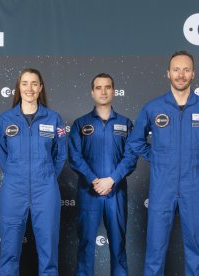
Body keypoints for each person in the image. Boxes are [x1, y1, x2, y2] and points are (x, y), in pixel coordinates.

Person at [126, 50, 199, 275]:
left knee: (195, 251)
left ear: (193, 74)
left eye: (186, 70)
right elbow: (135, 142)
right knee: (155, 251)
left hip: (194, 187)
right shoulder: (153, 107)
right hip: (162, 186)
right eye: (176, 69)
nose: (181, 74)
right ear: (168, 73)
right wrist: (158, 158)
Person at [0, 68, 67, 275]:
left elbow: (60, 154)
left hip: (45, 190)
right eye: (25, 83)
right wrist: (14, 173)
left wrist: (47, 176)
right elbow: (1, 151)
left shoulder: (53, 119)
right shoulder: (6, 119)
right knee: (9, 252)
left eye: (34, 83)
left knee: (48, 252)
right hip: (13, 189)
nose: (29, 88)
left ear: (40, 88)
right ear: (19, 87)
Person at [68, 73, 138, 276]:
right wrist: (93, 180)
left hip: (116, 192)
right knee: (86, 245)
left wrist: (112, 179)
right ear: (92, 92)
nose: (104, 91)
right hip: (88, 192)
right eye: (99, 87)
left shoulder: (125, 124)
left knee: (118, 246)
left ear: (114, 91)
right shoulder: (80, 124)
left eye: (108, 87)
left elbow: (131, 157)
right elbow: (74, 156)